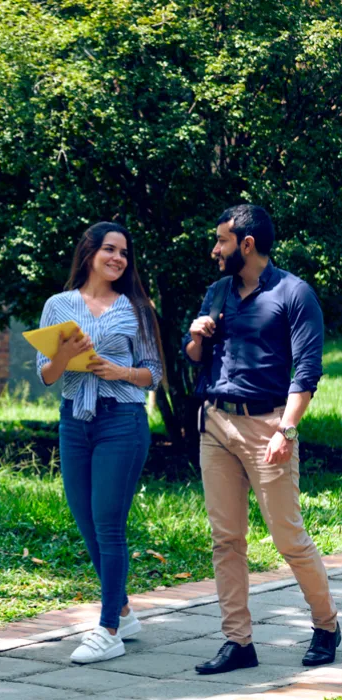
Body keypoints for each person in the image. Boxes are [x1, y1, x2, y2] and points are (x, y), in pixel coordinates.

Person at [183, 204, 339, 675]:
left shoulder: (294, 294)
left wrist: (287, 430)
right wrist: (195, 336)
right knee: (226, 539)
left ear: (246, 245)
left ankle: (327, 625)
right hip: (216, 424)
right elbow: (195, 357)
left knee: (287, 535)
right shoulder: (216, 293)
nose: (215, 250)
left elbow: (308, 370)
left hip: (267, 425)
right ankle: (238, 642)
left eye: (222, 242)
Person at [36, 222, 164, 664]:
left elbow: (154, 373)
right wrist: (65, 356)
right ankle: (124, 610)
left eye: (124, 253)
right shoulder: (59, 305)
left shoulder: (137, 308)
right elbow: (47, 375)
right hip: (74, 420)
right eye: (110, 249)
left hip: (121, 421)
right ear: (89, 252)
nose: (118, 258)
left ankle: (108, 629)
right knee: (86, 521)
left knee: (109, 522)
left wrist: (120, 372)